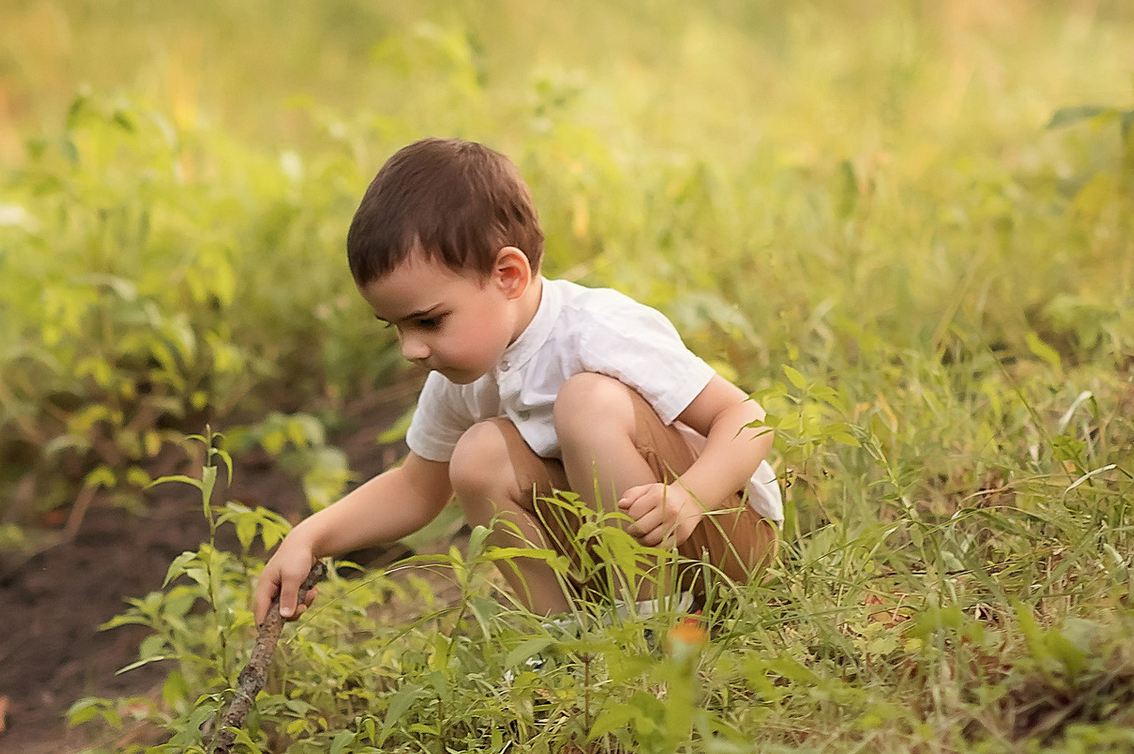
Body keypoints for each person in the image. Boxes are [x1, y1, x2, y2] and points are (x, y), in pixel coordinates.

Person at [250, 136, 782, 623]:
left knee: (588, 403)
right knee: (478, 453)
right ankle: (559, 642)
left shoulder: (596, 330)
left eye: (429, 321)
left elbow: (746, 418)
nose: (411, 349)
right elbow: (416, 489)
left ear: (509, 275)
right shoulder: (463, 376)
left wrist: (689, 496)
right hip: (618, 563)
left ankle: (653, 631)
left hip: (721, 544)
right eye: (396, 327)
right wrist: (310, 537)